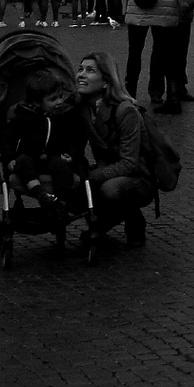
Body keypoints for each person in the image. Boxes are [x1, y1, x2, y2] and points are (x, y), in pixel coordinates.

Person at [76, 51, 155, 249]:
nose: (81, 75)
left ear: (105, 82)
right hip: (109, 169)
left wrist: (91, 176)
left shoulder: (125, 111)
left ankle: (133, 222)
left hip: (138, 177)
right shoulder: (84, 109)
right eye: (80, 69)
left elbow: (130, 163)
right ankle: (101, 221)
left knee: (110, 190)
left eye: (90, 70)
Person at [3, 70, 84, 206]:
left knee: (62, 167)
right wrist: (10, 158)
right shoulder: (23, 117)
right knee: (22, 162)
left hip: (53, 157)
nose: (59, 101)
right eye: (53, 99)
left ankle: (61, 202)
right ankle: (40, 194)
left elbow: (71, 138)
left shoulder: (62, 116)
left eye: (61, 97)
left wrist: (71, 154)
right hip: (29, 156)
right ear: (37, 102)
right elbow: (8, 139)